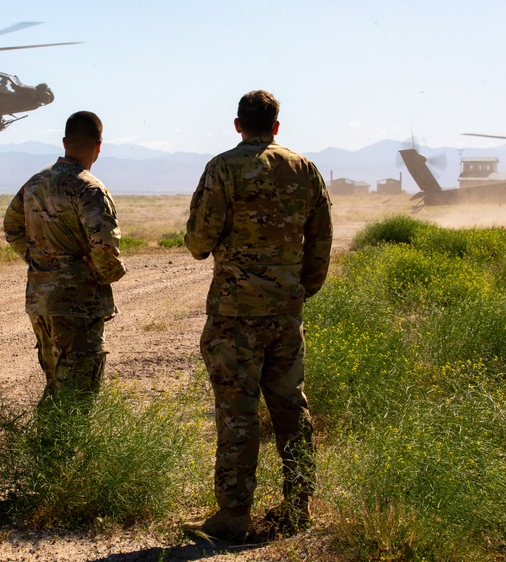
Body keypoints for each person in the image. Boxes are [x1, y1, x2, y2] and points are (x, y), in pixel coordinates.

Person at [183, 90, 333, 540]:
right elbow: (321, 239)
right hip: (286, 312)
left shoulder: (223, 169)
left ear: (237, 125)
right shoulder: (304, 169)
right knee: (291, 407)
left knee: (237, 414)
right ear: (276, 126)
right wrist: (299, 289)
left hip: (235, 314)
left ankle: (234, 516)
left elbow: (198, 243)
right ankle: (298, 507)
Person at [3, 111, 126, 403]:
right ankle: (58, 448)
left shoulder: (35, 183)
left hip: (41, 299)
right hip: (78, 303)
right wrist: (105, 273)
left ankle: (46, 448)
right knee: (78, 393)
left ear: (64, 142)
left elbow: (12, 227)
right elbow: (105, 246)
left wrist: (41, 260)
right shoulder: (89, 188)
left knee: (57, 385)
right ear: (99, 146)